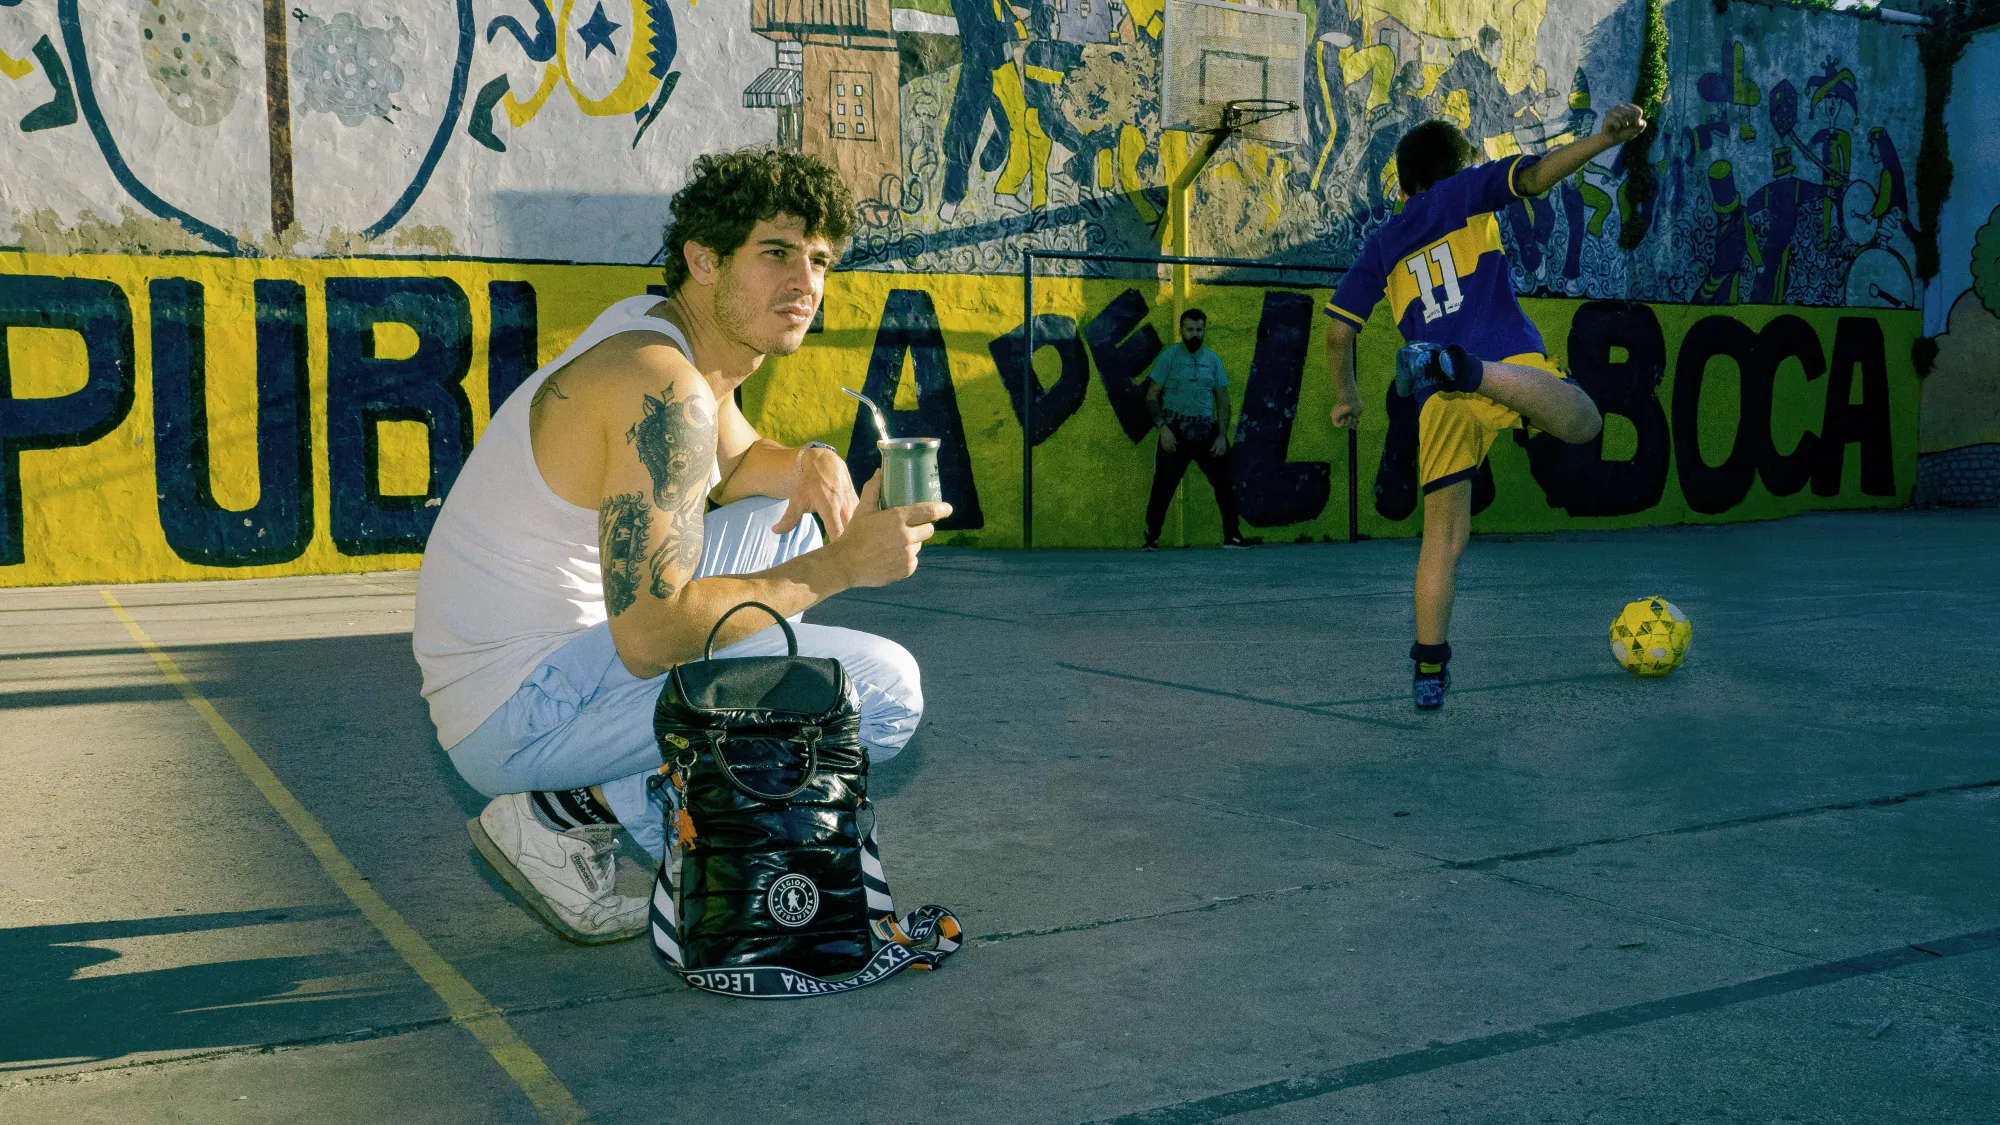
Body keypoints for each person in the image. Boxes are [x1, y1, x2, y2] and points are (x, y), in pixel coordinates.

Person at [413, 149, 951, 944]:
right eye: (776, 253)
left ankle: (625, 802)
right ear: (704, 259)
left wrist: (810, 462)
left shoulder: (659, 332)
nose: (804, 282)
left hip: (535, 662)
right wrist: (841, 567)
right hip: (518, 709)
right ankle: (563, 811)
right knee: (884, 687)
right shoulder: (664, 389)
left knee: (792, 513)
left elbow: (738, 461)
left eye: (818, 260)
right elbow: (651, 635)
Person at [1323, 108, 1646, 710]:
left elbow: (1339, 332)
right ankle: (1464, 367)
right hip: (1498, 364)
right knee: (1583, 421)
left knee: (1443, 539)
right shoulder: (1466, 190)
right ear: (1461, 167)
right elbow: (1537, 175)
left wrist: (1347, 396)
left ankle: (1428, 671)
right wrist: (1604, 137)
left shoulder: (1383, 244)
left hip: (1436, 401)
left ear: (1402, 189)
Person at [1141, 309, 1248, 552]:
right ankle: (1151, 537)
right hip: (1175, 432)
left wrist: (1221, 436)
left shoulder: (1213, 360)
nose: (1195, 334)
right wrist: (1163, 428)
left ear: (1204, 330)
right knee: (1163, 486)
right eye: (1190, 329)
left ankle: (1232, 536)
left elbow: (1223, 400)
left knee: (1226, 483)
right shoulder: (1169, 358)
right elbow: (1151, 397)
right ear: (1181, 330)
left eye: (1199, 329)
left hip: (1206, 431)